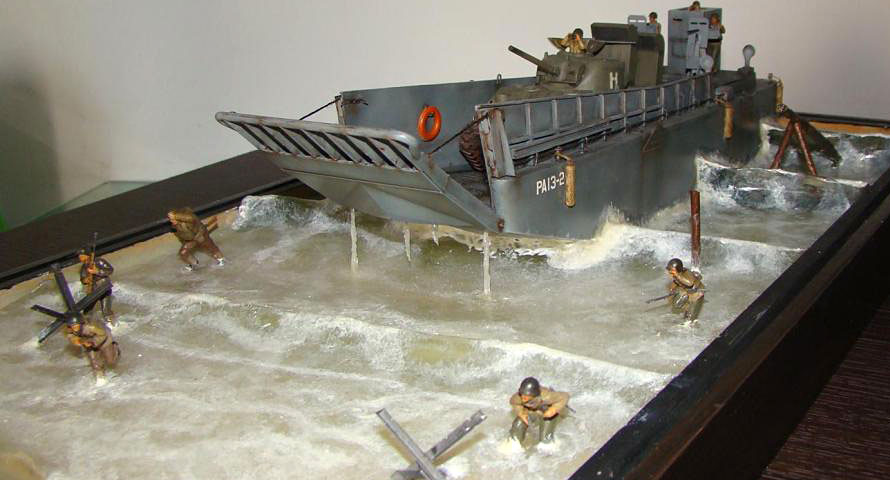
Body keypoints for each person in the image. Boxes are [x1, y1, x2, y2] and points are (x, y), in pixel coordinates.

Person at [509, 377, 570, 444]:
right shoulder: (518, 397)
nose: (523, 397)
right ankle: (514, 442)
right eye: (522, 394)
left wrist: (554, 409)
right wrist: (521, 412)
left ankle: (547, 444)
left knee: (545, 439)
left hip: (547, 413)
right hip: (532, 412)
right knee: (519, 423)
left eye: (526, 395)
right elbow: (513, 402)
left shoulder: (547, 396)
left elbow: (565, 396)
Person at [66, 316, 120, 383]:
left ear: (81, 324)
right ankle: (100, 377)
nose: (74, 328)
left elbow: (103, 334)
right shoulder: (71, 332)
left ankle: (115, 348)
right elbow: (72, 339)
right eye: (72, 326)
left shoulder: (91, 327)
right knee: (94, 362)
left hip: (104, 342)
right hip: (91, 346)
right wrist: (82, 342)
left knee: (110, 360)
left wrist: (92, 340)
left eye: (76, 326)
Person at [78, 247, 115, 325]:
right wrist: (85, 280)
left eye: (82, 256)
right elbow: (83, 278)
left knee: (106, 309)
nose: (81, 258)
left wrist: (97, 271)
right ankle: (87, 324)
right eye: (80, 257)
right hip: (93, 289)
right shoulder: (84, 267)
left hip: (103, 287)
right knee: (87, 309)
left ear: (88, 255)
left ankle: (111, 323)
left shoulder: (98, 261)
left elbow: (110, 270)